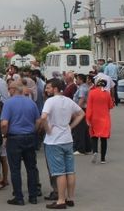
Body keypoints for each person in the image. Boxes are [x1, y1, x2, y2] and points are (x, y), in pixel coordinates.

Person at [41, 78, 85, 209]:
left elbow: (43, 117)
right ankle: (70, 198)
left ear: (55, 88)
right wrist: (70, 127)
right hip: (67, 139)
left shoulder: (50, 101)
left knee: (59, 172)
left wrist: (47, 129)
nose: (46, 89)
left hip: (54, 141)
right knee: (70, 171)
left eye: (48, 87)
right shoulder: (68, 100)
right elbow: (81, 114)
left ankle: (61, 200)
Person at [1, 81, 40, 206]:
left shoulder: (8, 103)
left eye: (9, 89)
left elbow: (4, 123)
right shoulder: (31, 102)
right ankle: (33, 196)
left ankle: (19, 197)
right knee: (31, 168)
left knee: (15, 169)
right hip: (29, 136)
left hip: (14, 138)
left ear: (13, 89)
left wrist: (4, 134)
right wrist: (34, 130)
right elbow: (39, 121)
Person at [86, 78, 114, 164]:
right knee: (103, 139)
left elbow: (89, 107)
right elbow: (111, 106)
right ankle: (103, 159)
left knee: (94, 137)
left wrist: (88, 118)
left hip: (94, 118)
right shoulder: (107, 94)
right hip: (105, 118)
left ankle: (95, 151)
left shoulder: (92, 93)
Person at [72, 74, 91, 155]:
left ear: (81, 80)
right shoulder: (85, 87)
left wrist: (77, 111)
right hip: (84, 109)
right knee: (84, 129)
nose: (76, 80)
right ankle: (87, 148)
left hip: (81, 109)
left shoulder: (82, 88)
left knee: (79, 129)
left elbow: (81, 99)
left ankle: (80, 149)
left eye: (77, 79)